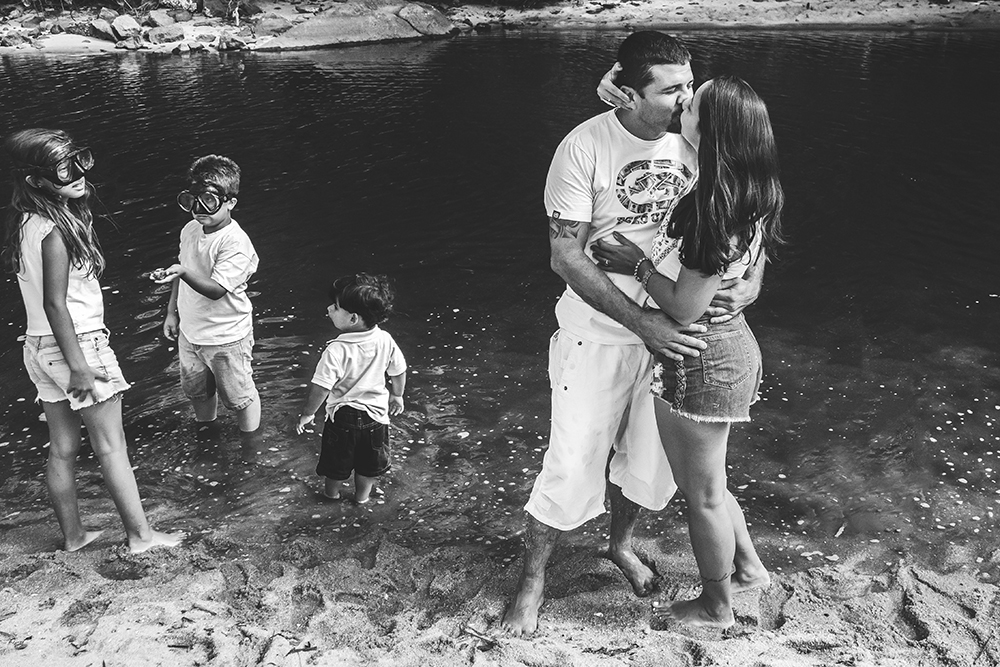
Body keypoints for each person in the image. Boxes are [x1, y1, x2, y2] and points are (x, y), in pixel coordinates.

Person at [502, 31, 764, 636]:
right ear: (629, 91)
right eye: (671, 90)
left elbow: (748, 205)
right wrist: (642, 322)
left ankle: (620, 544)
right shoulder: (584, 146)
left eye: (689, 86)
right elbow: (566, 255)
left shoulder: (698, 137)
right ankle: (531, 583)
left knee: (648, 466)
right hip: (600, 335)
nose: (686, 99)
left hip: (679, 341)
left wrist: (752, 281)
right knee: (571, 461)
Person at [591, 75, 784, 628]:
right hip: (730, 346)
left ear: (711, 129)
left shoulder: (708, 210)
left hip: (701, 355)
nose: (682, 108)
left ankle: (716, 606)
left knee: (702, 498)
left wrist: (636, 264)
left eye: (692, 105)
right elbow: (744, 264)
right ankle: (749, 571)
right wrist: (616, 89)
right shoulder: (753, 188)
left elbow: (683, 307)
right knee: (712, 485)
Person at [2, 128, 185, 553]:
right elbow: (55, 303)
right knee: (111, 446)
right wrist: (80, 366)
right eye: (64, 170)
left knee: (63, 448)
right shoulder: (55, 231)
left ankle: (74, 536)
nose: (78, 174)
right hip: (76, 344)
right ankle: (141, 536)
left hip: (37, 347)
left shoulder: (27, 222)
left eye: (78, 162)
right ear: (36, 180)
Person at [151, 155, 261, 443]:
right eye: (192, 201)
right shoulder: (190, 229)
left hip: (226, 335)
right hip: (190, 332)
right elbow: (181, 270)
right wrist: (171, 312)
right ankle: (207, 434)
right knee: (197, 391)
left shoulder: (234, 242)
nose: (199, 209)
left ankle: (251, 445)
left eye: (209, 201)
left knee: (239, 396)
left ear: (230, 202)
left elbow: (216, 289)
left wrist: (182, 272)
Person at [294, 273, 407, 504]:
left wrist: (307, 414)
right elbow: (398, 370)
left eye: (336, 307)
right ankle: (362, 499)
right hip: (376, 417)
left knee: (336, 463)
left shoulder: (336, 350)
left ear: (353, 318)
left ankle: (331, 496)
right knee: (368, 464)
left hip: (342, 418)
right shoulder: (385, 339)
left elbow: (321, 387)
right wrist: (397, 395)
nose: (329, 309)